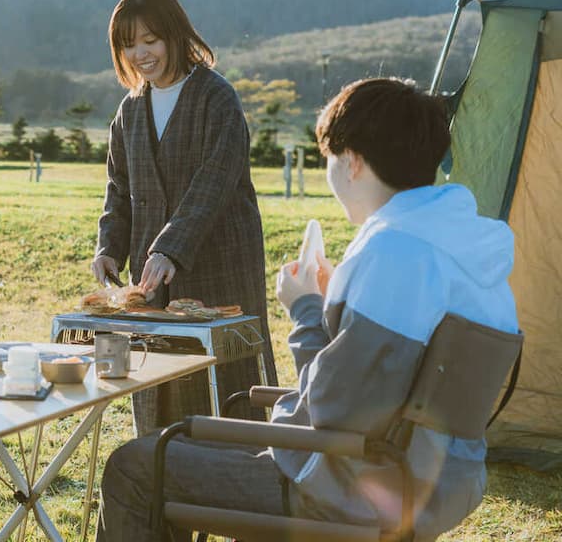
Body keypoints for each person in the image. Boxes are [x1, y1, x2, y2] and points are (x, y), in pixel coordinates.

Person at [97, 77, 519, 542]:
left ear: (353, 162)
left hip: (346, 488)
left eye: (329, 159)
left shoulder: (394, 252)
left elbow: (334, 409)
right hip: (435, 481)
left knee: (136, 466)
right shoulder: (468, 250)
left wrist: (306, 311)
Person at [93, 0, 276, 434]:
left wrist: (171, 248)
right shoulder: (129, 109)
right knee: (158, 378)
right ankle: (161, 482)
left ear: (176, 35)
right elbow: (119, 187)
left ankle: (235, 478)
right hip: (153, 275)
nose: (140, 54)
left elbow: (214, 183)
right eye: (128, 45)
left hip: (218, 265)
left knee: (221, 380)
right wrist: (110, 248)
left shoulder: (217, 97)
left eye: (150, 40)